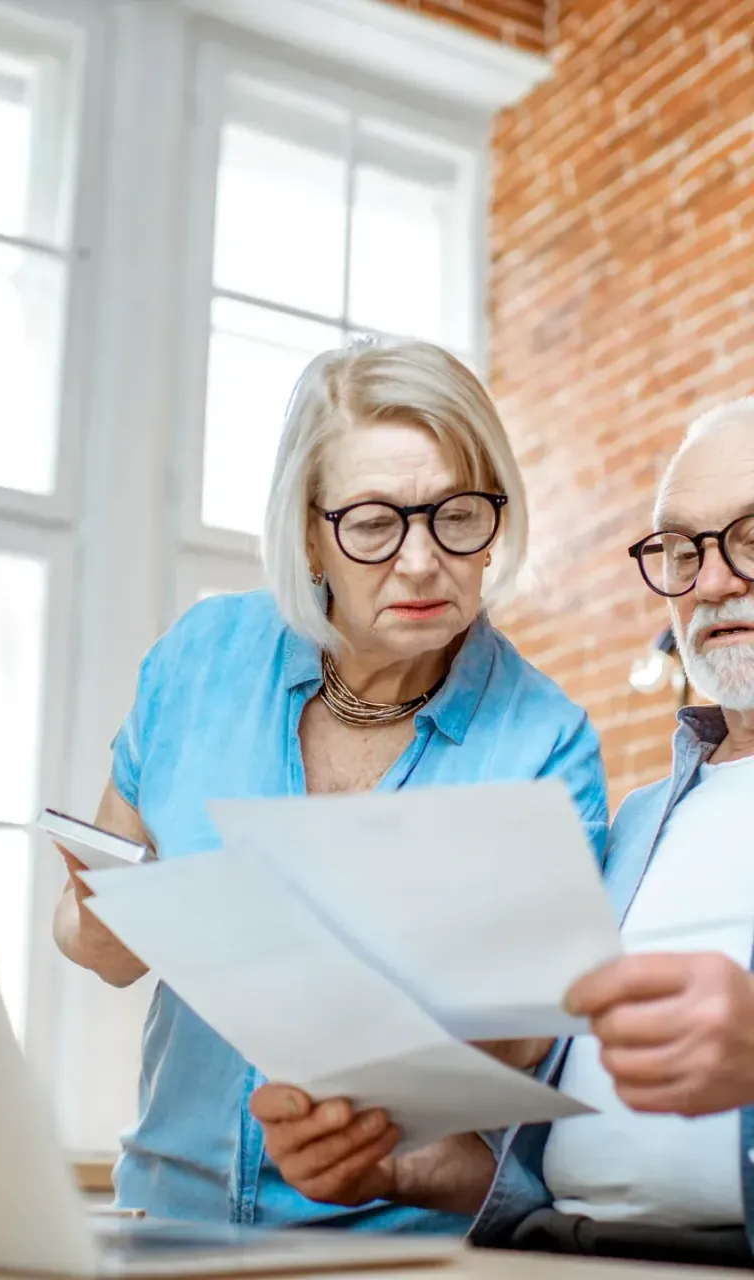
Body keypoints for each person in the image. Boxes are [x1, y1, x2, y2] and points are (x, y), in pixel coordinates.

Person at [53, 339, 608, 1232]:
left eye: (458, 515)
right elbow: (98, 941)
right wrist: (105, 915)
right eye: (375, 524)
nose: (422, 561)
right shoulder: (200, 658)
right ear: (310, 534)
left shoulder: (546, 743)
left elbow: (524, 1053)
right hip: (167, 1217)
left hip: (386, 1243)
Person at [256, 397, 754, 1266]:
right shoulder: (640, 824)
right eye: (680, 549)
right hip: (554, 1253)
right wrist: (400, 1166)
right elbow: (572, 1151)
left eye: (751, 537)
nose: (710, 582)